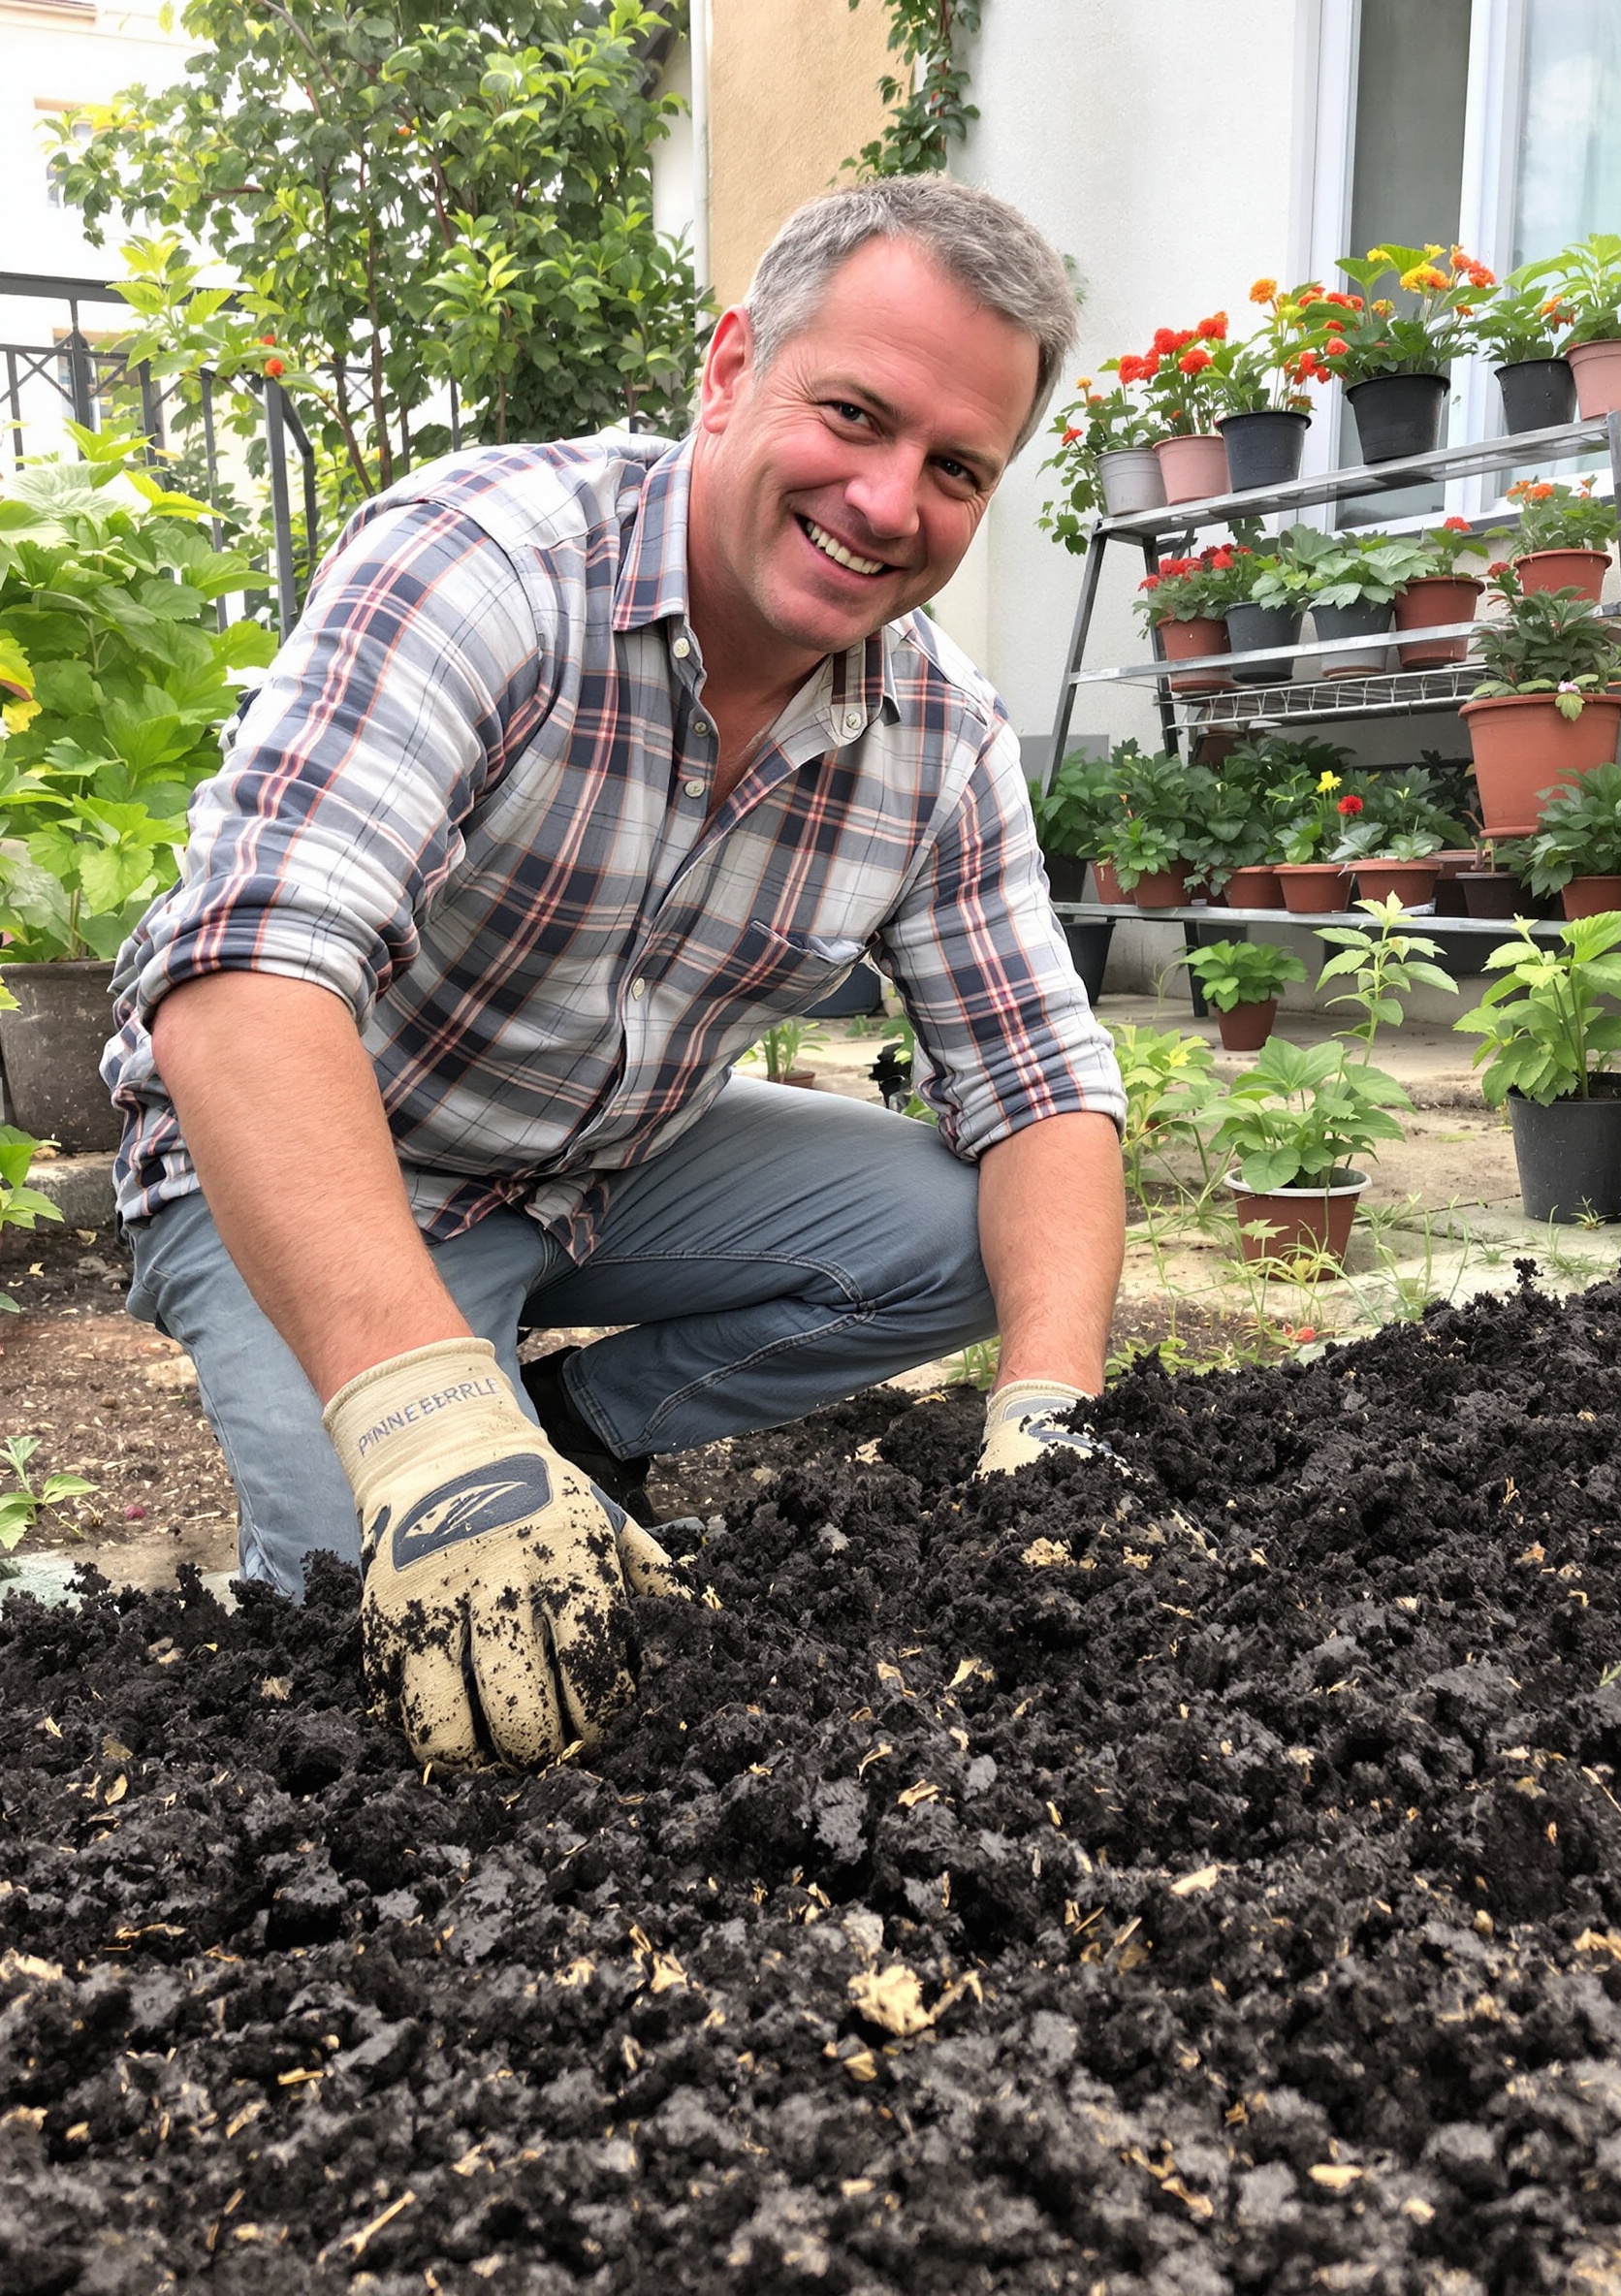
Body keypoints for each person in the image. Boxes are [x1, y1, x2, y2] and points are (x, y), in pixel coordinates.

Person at [104, 176, 1128, 1772]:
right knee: (394, 1653)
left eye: (954, 469)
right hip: (328, 1158)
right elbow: (246, 968)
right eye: (852, 414)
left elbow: (1045, 1088)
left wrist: (1053, 1420)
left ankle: (571, 1431)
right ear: (730, 371)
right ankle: (460, 1407)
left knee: (961, 1234)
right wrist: (419, 1421)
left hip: (597, 1168)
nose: (884, 499)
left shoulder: (939, 735)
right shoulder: (489, 566)